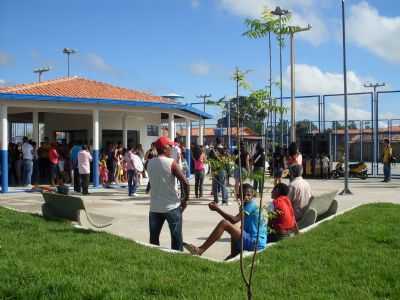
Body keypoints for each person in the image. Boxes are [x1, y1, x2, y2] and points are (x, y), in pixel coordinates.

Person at [184, 184, 267, 260]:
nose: (246, 197)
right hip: (257, 241)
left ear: (253, 195)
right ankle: (233, 255)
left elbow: (234, 220)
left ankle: (200, 250)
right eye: (243, 194)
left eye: (248, 195)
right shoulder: (248, 205)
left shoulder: (250, 205)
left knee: (224, 223)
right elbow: (235, 222)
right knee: (234, 230)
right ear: (238, 195)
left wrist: (217, 209)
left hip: (255, 242)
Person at [146, 136, 189, 251]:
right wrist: (185, 200)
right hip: (172, 207)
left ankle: (154, 259)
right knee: (176, 240)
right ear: (165, 148)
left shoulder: (149, 163)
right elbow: (185, 182)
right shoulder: (171, 163)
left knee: (153, 240)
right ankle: (178, 261)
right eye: (170, 146)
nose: (172, 148)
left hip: (154, 207)